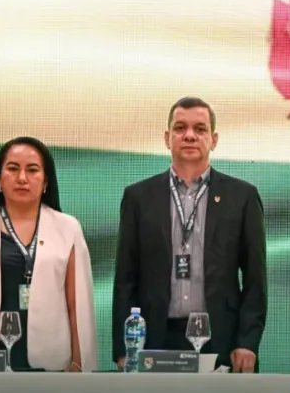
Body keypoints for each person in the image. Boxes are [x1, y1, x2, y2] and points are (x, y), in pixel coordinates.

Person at [113, 96, 267, 372]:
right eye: (180, 128)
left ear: (214, 140)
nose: (190, 136)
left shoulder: (242, 197)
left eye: (200, 129)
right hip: (155, 338)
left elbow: (256, 280)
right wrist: (125, 350)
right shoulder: (138, 197)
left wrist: (248, 342)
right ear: (167, 137)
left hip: (221, 340)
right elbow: (125, 279)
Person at [0, 136, 97, 371]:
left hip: (51, 366)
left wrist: (78, 365)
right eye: (13, 169)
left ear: (46, 181)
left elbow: (77, 305)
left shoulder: (68, 228)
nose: (22, 178)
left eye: (32, 170)